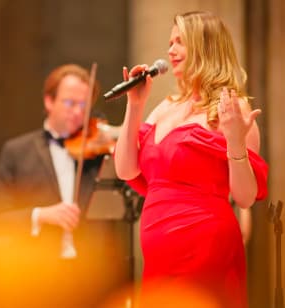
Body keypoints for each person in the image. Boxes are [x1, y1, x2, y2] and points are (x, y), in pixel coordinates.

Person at [114, 11, 268, 308]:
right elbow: (125, 169)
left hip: (206, 245)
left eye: (180, 42)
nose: (170, 51)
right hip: (159, 254)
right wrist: (135, 105)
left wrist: (235, 141)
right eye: (170, 42)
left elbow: (245, 197)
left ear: (205, 45)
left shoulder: (231, 108)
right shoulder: (164, 107)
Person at [0, 64, 126, 308]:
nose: (78, 113)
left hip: (89, 277)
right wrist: (41, 215)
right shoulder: (18, 151)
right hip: (36, 276)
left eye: (84, 106)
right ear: (49, 101)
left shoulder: (97, 153)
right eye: (70, 103)